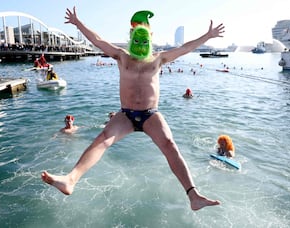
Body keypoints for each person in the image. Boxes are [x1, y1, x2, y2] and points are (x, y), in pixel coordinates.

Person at [41, 6, 225, 211]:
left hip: (150, 114)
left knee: (170, 145)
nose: (140, 44)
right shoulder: (122, 56)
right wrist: (78, 23)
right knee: (103, 139)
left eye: (144, 40)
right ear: (131, 38)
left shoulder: (159, 58)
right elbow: (98, 40)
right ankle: (70, 180)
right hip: (126, 114)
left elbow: (185, 48)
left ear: (150, 40)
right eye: (136, 40)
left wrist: (207, 36)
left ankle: (194, 196)